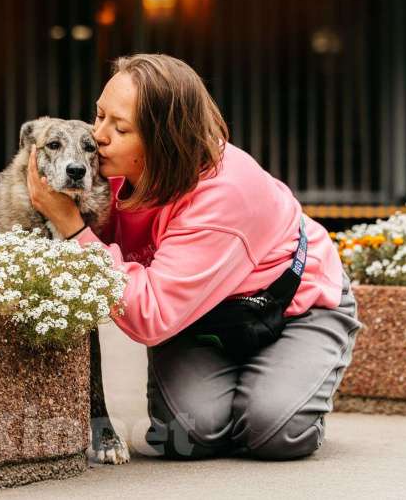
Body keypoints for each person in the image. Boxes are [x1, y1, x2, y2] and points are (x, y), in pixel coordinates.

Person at [26, 53, 362, 461]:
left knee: (274, 429)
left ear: (163, 139)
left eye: (121, 128)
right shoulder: (106, 170)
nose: (98, 136)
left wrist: (71, 226)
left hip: (292, 307)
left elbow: (151, 315)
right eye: (99, 116)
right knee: (186, 435)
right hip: (199, 317)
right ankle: (246, 388)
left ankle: (284, 385)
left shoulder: (224, 194)